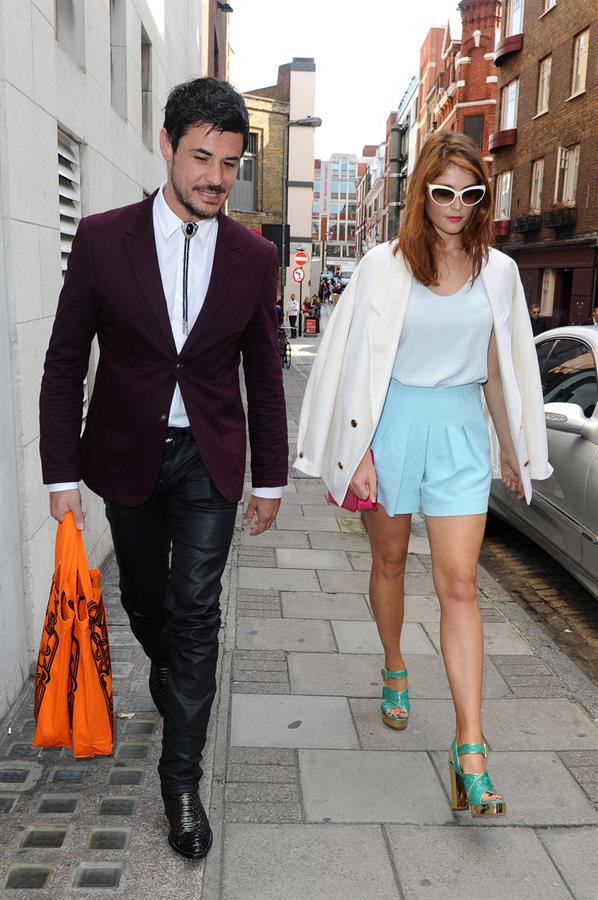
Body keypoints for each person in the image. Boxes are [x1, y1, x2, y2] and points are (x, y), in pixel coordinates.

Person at [39, 77, 288, 860]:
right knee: (147, 602)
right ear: (168, 147)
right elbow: (64, 361)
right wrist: (59, 474)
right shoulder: (104, 237)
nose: (216, 177)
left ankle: (181, 782)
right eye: (201, 158)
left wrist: (271, 477)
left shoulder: (253, 255)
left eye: (229, 162)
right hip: (126, 455)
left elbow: (266, 370)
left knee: (195, 614)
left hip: (210, 459)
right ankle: (179, 682)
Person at [294, 131, 552, 819]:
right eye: (444, 192)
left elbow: (498, 364)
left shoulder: (497, 270)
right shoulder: (384, 266)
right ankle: (393, 665)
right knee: (387, 561)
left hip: (461, 429)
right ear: (422, 194)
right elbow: (353, 360)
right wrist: (364, 449)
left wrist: (507, 441)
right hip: (392, 423)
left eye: (471, 193)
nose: (457, 205)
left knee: (460, 585)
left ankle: (471, 751)